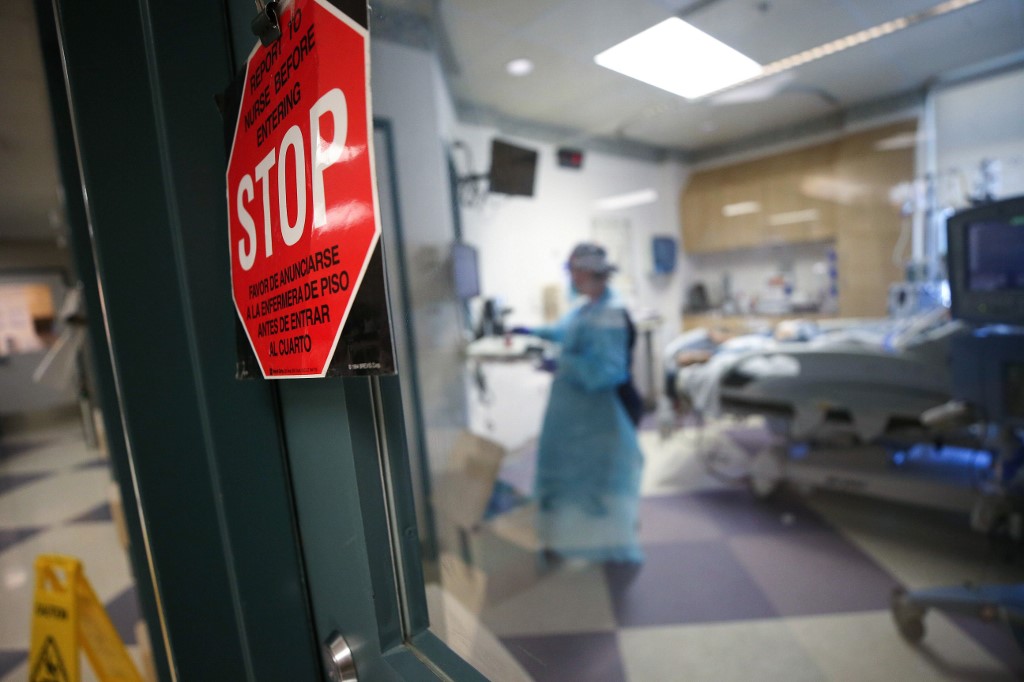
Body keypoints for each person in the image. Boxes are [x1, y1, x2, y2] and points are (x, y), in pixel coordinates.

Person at [511, 243, 644, 564]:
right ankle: (562, 541)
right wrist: (530, 332)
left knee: (598, 483)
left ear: (586, 272)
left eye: (572, 271)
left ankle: (604, 547)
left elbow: (608, 371)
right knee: (565, 477)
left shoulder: (610, 312)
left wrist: (561, 364)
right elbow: (564, 332)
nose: (570, 278)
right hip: (576, 416)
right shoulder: (588, 307)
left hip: (601, 415)